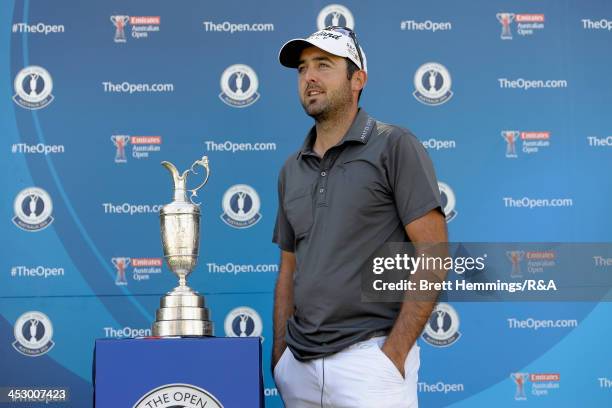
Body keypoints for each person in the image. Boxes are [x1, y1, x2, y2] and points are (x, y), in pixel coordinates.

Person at [272, 26, 448, 407]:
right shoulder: (291, 169)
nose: (310, 78)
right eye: (302, 69)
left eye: (324, 65)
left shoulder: (395, 145)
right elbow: (288, 268)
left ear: (358, 80)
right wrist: (281, 358)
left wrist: (393, 355)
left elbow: (434, 252)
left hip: (369, 362)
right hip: (298, 368)